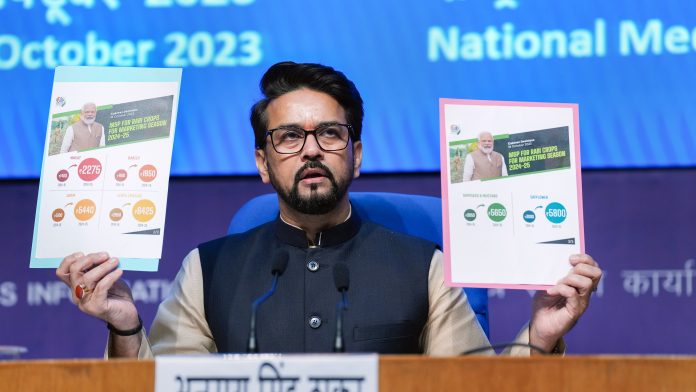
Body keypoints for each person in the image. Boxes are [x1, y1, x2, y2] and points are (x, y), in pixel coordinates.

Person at [56, 62, 601, 358]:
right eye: (289, 136)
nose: (312, 149)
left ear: (356, 155)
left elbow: (474, 388)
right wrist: (126, 328)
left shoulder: (425, 264)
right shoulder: (208, 268)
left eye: (330, 135)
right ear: (263, 164)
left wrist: (541, 338)